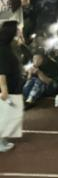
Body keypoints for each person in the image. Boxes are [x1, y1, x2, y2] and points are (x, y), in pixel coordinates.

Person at [0, 21, 23, 152]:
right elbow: (1, 71)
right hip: (8, 88)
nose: (19, 31)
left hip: (12, 86)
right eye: (18, 29)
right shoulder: (3, 49)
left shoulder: (7, 46)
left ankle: (2, 139)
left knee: (10, 114)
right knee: (5, 115)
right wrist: (4, 90)